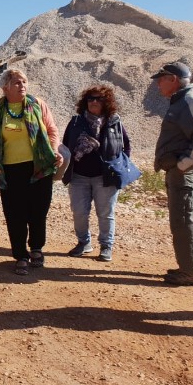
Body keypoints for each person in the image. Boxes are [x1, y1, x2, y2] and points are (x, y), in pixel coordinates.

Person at [0, 68, 62, 277]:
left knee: (38, 211)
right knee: (15, 214)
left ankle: (36, 249)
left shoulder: (38, 105)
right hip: (9, 170)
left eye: (24, 81)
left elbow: (52, 131)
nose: (23, 85)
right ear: (5, 87)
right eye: (17, 82)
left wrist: (53, 151)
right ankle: (20, 255)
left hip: (38, 167)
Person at [152, 62, 193, 287]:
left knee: (183, 218)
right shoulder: (182, 99)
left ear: (173, 79)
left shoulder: (189, 99)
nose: (158, 84)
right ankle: (191, 265)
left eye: (161, 79)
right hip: (179, 171)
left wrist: (184, 165)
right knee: (182, 218)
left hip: (183, 172)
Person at [61, 85, 131, 263]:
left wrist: (118, 167)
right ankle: (84, 242)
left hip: (105, 177)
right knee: (79, 212)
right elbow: (65, 145)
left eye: (98, 99)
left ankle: (106, 246)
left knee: (105, 213)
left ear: (106, 102)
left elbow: (126, 146)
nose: (93, 102)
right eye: (90, 98)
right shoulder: (76, 122)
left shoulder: (114, 122)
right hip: (79, 176)